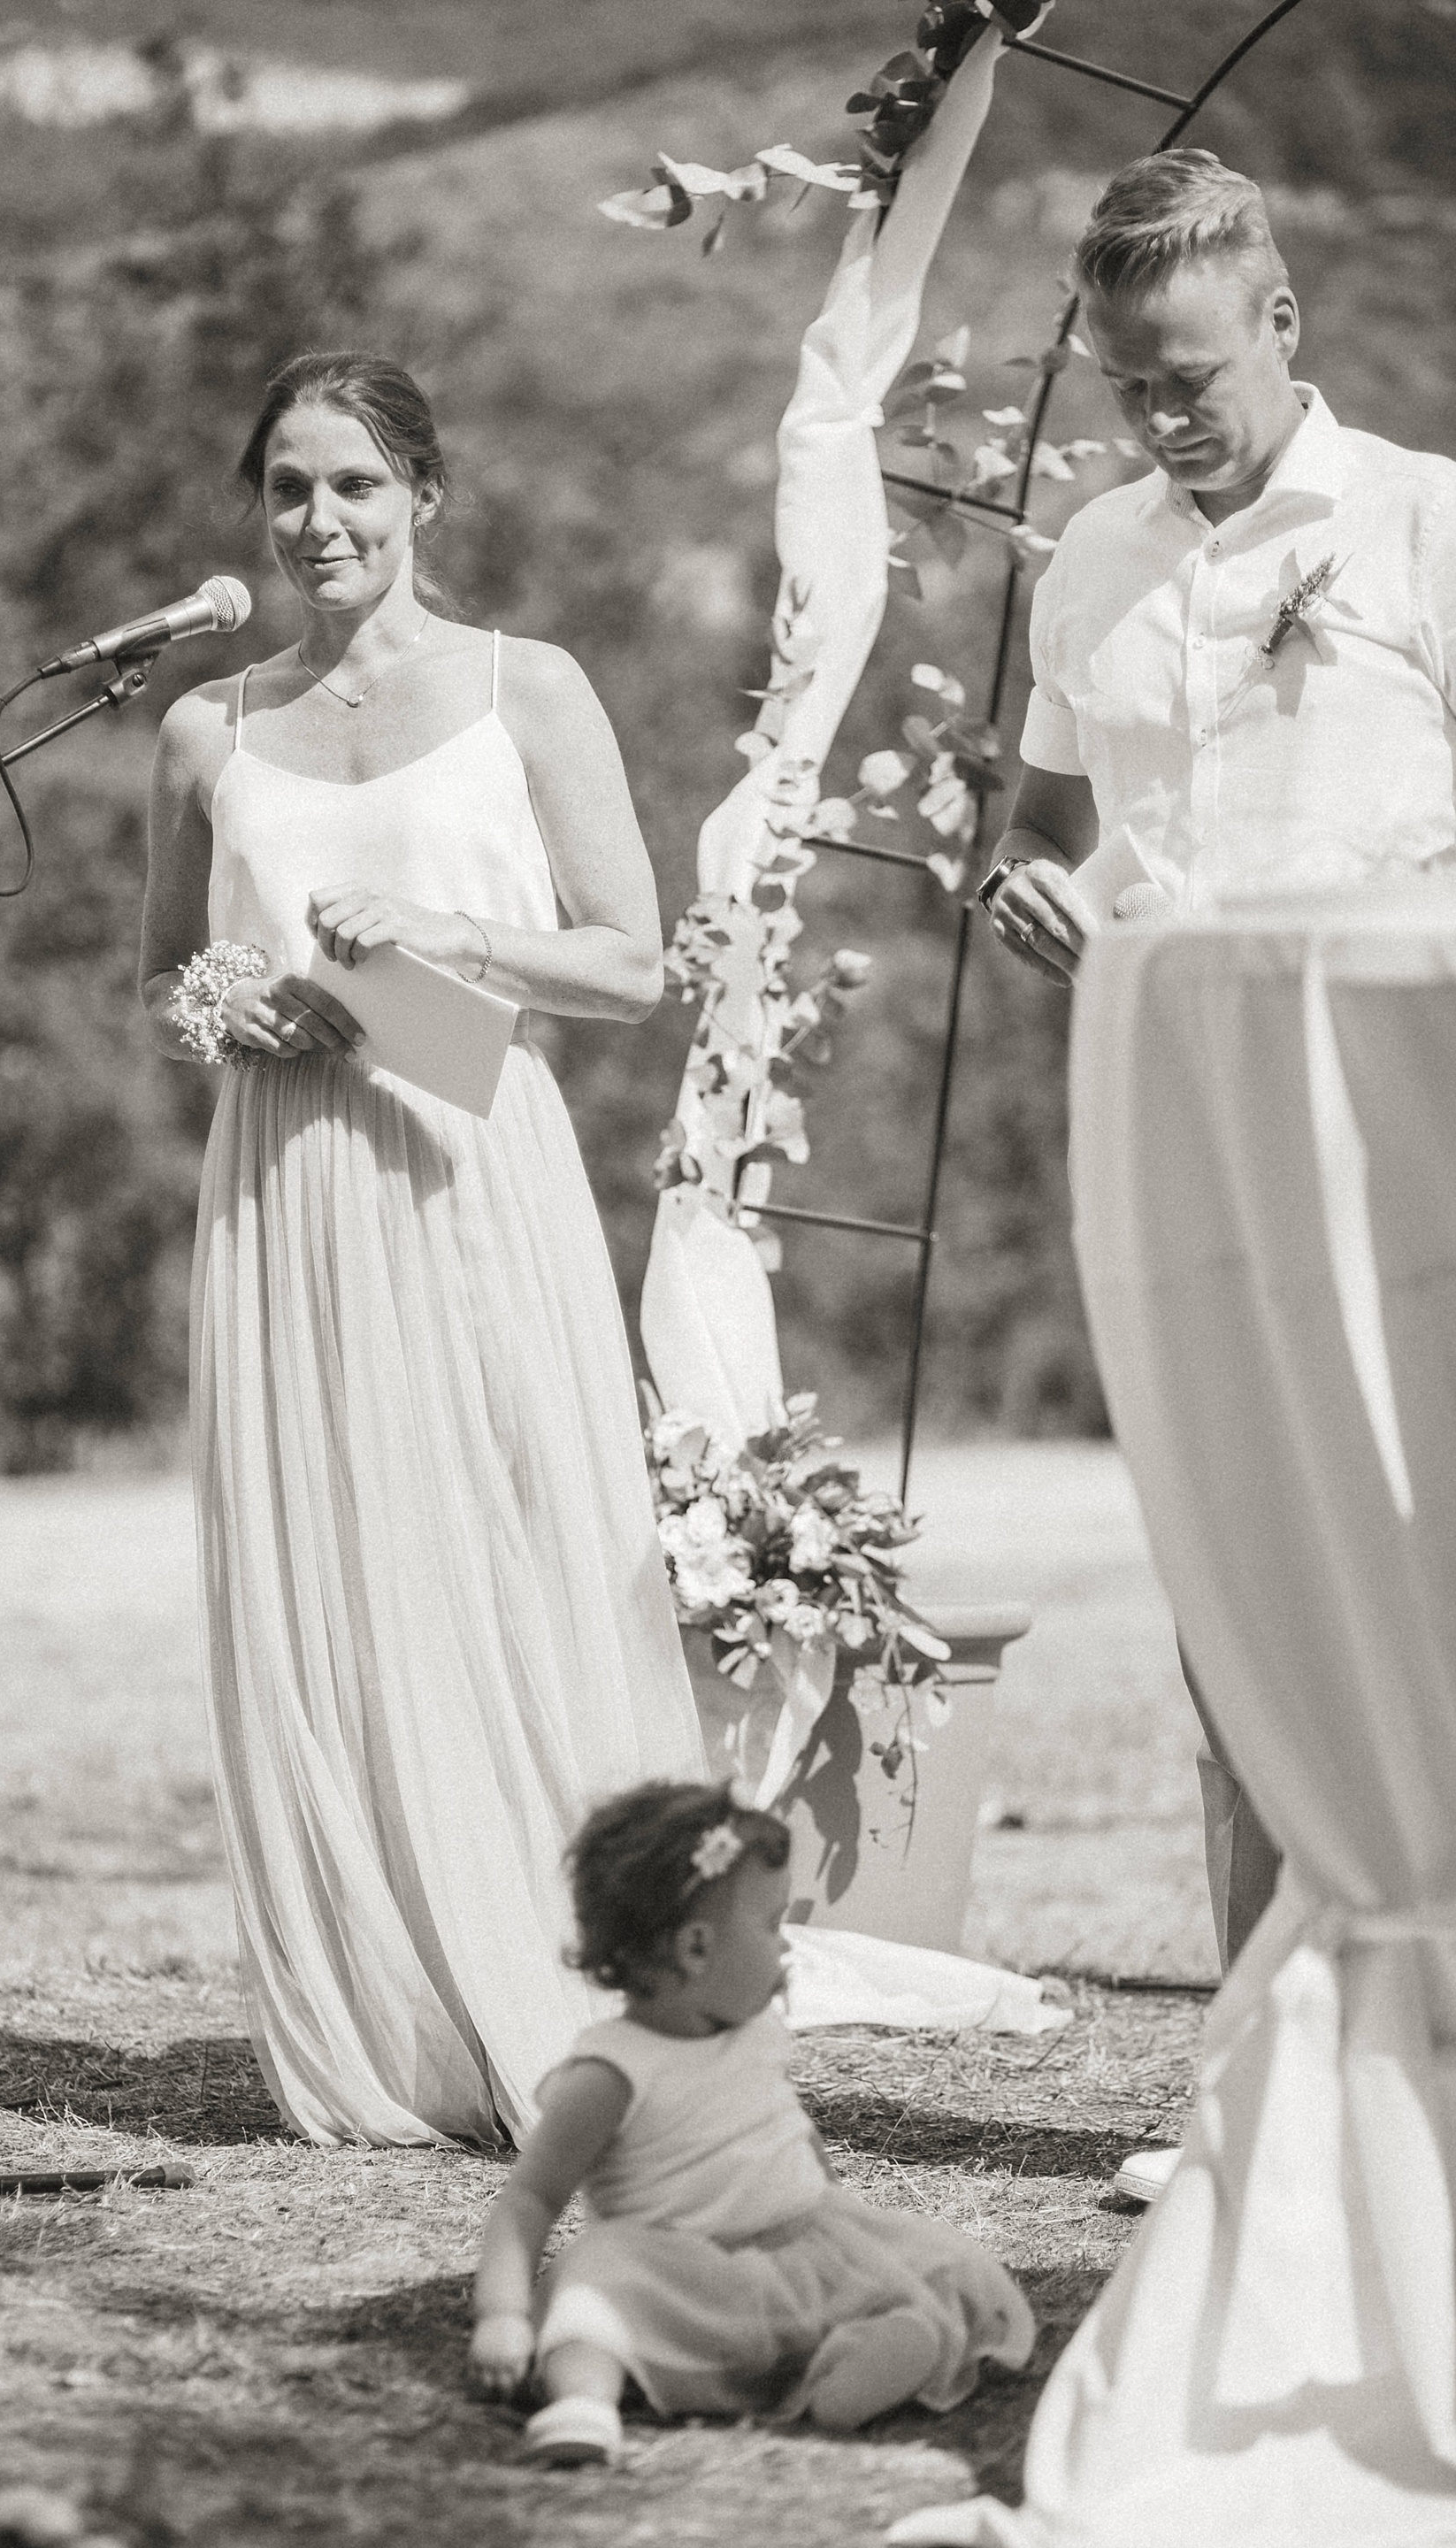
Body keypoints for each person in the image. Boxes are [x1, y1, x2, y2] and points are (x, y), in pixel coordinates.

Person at [138, 351, 707, 2149]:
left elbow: (637, 964)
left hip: (476, 1163)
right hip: (292, 1185)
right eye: (292, 488)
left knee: (516, 1546)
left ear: (426, 500)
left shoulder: (527, 690)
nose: (321, 522)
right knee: (341, 1577)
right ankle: (388, 2008)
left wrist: (446, 933)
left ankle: (571, 1979)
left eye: (358, 488)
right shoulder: (205, 729)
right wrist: (233, 1009)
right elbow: (163, 970)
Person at [975, 150, 1456, 2196]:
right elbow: (1096, 826)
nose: (1161, 416)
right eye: (1124, 383)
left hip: (1401, 1103)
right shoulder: (1087, 554)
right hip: (1174, 1109)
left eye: (1187, 374)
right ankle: (1255, 2071)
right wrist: (1050, 897)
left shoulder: (1428, 519)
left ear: (1279, 323)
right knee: (1226, 1581)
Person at [468, 1779, 1033, 2467]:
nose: (786, 1947)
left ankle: (854, 2368)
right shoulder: (610, 2072)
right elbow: (529, 2200)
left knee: (930, 2267)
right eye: (771, 1926)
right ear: (697, 1949)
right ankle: (583, 2402)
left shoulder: (758, 2029)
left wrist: (825, 2194)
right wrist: (500, 2314)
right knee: (597, 2279)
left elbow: (780, 2124)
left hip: (798, 2248)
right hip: (679, 2277)